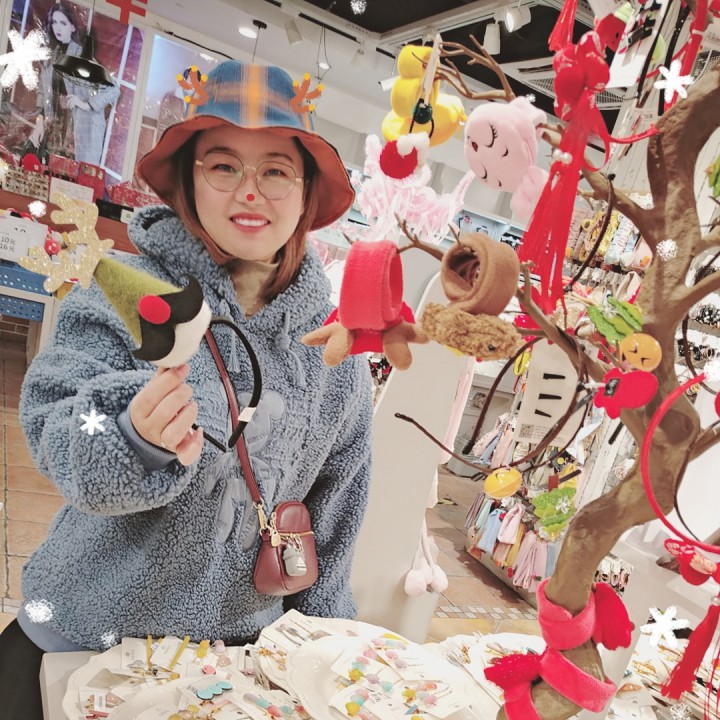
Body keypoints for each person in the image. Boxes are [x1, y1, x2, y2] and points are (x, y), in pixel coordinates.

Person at [2, 60, 373, 717]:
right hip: (82, 635)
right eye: (223, 166)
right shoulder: (127, 294)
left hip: (229, 669)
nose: (249, 192)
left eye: (276, 171)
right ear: (189, 180)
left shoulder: (334, 353)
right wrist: (131, 438)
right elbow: (58, 432)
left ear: (307, 193)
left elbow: (334, 518)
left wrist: (327, 653)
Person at [30, 0, 120, 165]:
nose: (58, 27)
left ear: (72, 27)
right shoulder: (51, 58)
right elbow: (42, 92)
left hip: (80, 126)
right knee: (52, 169)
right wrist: (40, 121)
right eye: (54, 22)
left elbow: (114, 89)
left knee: (76, 171)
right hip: (56, 126)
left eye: (63, 23)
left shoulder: (81, 57)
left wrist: (87, 104)